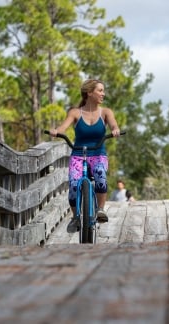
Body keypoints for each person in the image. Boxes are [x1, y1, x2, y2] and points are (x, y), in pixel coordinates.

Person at [49, 79, 120, 233]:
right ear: (89, 93)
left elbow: (113, 124)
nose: (103, 94)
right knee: (74, 185)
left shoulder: (106, 112)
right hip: (78, 155)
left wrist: (115, 130)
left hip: (98, 154)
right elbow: (64, 126)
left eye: (103, 90)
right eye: (100, 90)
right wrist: (57, 131)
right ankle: (75, 217)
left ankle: (100, 209)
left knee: (100, 174)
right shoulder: (75, 112)